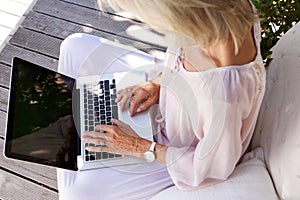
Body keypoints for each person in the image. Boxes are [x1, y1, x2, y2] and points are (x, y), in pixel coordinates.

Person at [57, 0, 266, 199]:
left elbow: (211, 168)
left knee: (76, 194)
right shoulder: (215, 15)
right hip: (168, 101)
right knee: (74, 46)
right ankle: (82, 128)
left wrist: (136, 146)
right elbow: (180, 68)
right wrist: (157, 84)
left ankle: (75, 140)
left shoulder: (222, 95)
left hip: (177, 150)